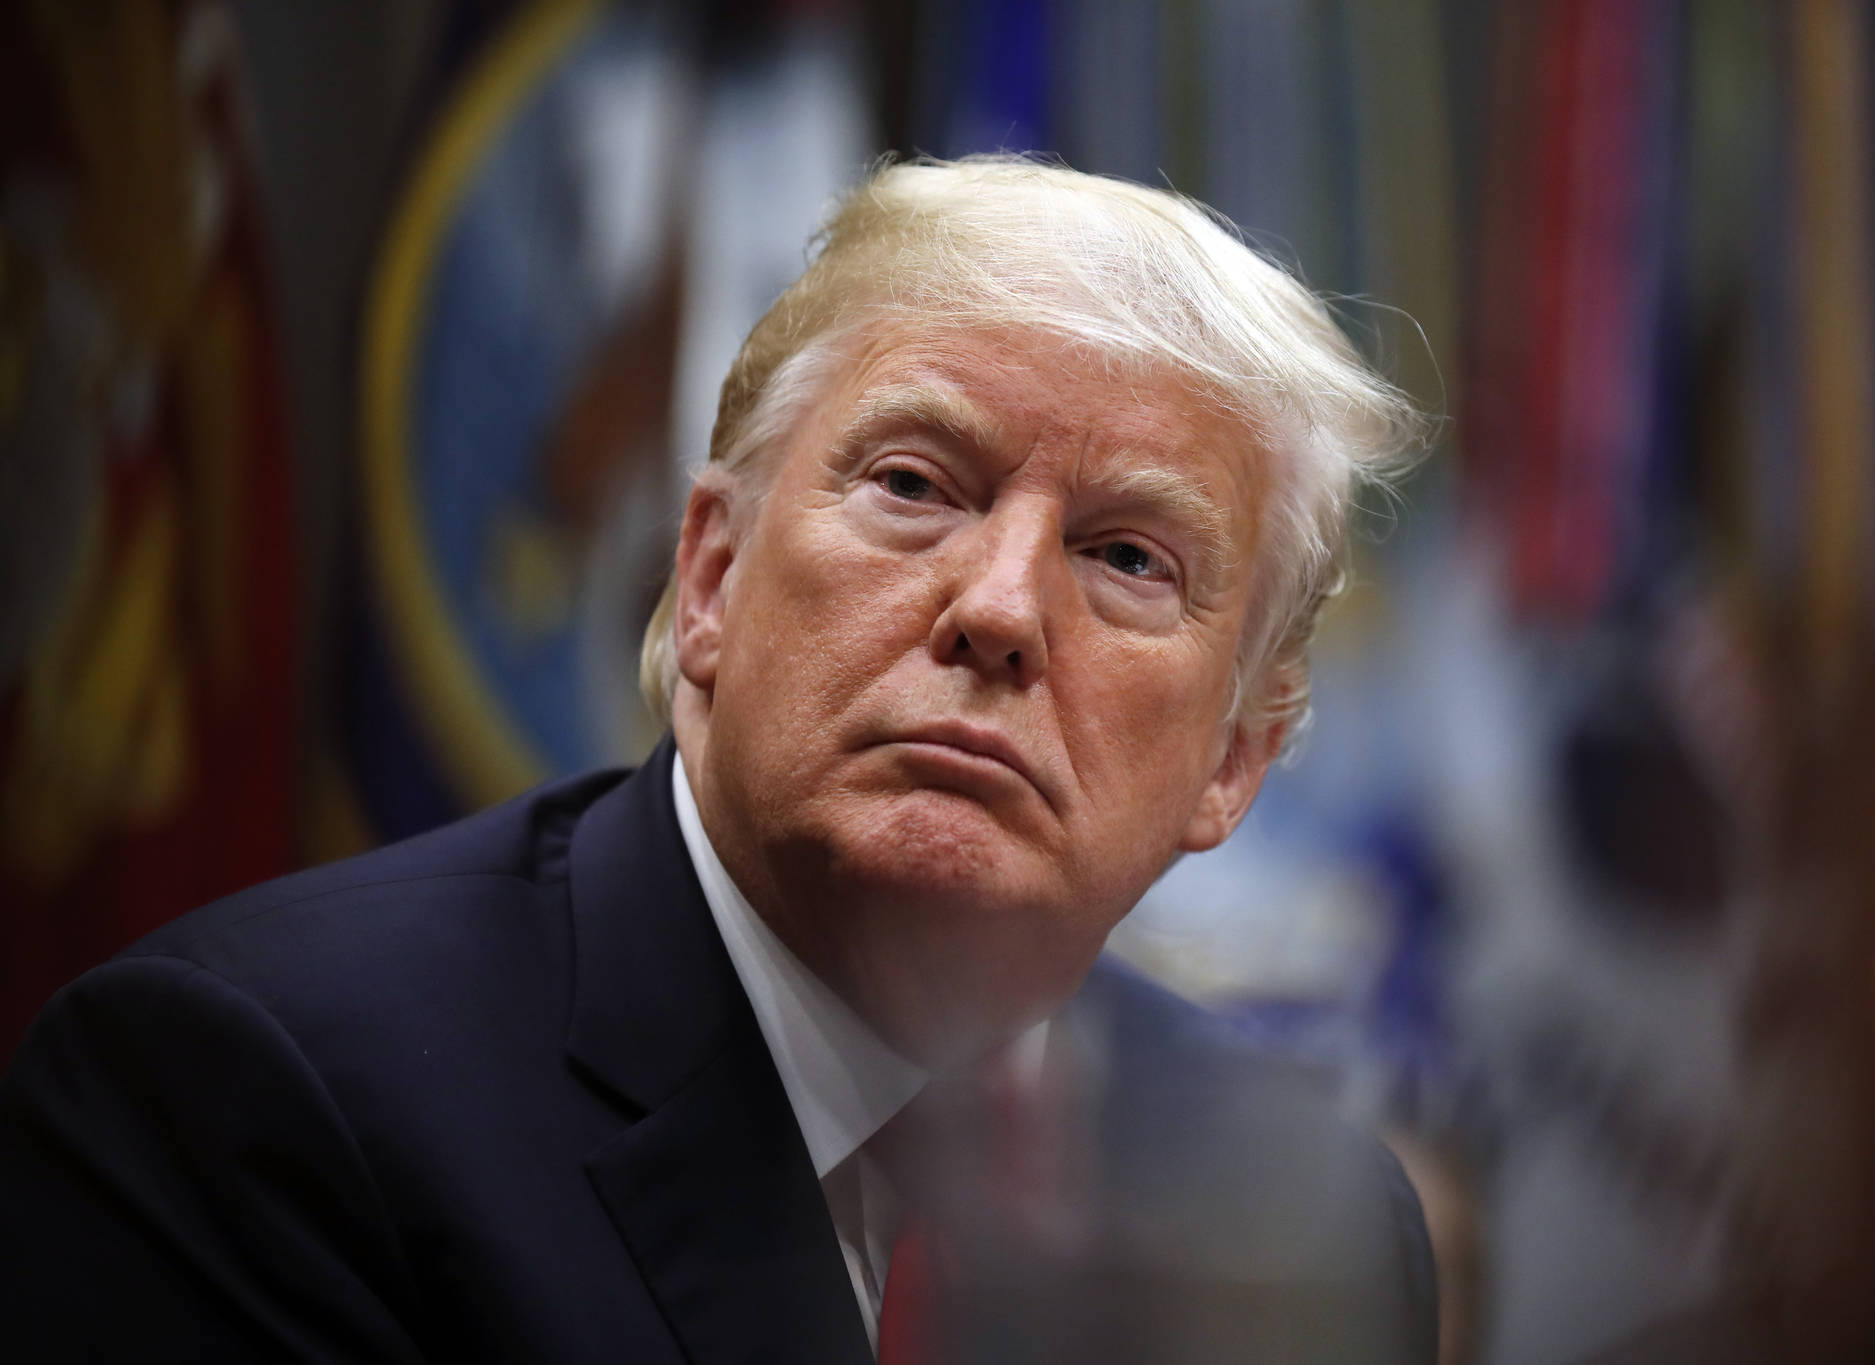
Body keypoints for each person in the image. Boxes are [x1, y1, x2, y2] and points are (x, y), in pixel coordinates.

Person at [0, 156, 1436, 1362]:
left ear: (1236, 759)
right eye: (916, 485)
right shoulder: (255, 1102)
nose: (997, 608)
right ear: (709, 578)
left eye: (1128, 556)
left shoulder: (1316, 1223)